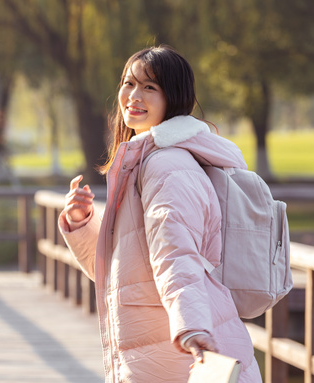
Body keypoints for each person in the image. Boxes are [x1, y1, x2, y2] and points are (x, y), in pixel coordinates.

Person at [59, 45, 262, 382]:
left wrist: (192, 327)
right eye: (129, 83)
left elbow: (177, 252)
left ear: (174, 97)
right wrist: (82, 223)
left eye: (149, 87)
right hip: (159, 346)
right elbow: (129, 267)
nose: (133, 96)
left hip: (173, 352)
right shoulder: (147, 161)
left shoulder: (166, 166)